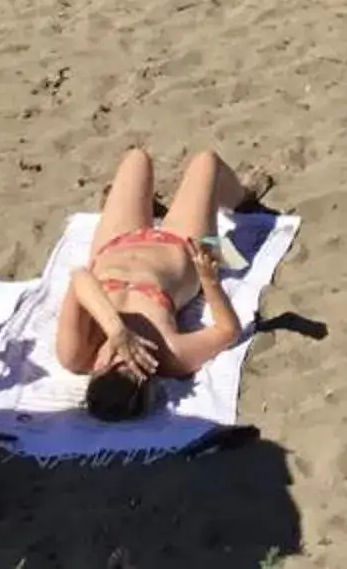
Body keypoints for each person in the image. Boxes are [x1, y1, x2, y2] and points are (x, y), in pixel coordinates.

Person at [53, 149, 254, 421]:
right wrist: (209, 281)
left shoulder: (76, 354)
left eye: (110, 364)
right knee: (206, 161)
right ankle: (241, 197)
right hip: (181, 245)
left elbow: (80, 278)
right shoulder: (170, 355)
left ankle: (151, 209)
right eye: (130, 365)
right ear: (146, 376)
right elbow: (227, 331)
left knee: (137, 158)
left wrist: (117, 330)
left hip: (115, 243)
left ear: (97, 370)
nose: (121, 355)